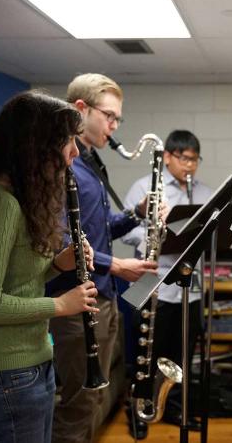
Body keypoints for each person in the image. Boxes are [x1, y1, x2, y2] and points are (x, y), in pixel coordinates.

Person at [0, 91, 99, 443]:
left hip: (29, 367)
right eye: (67, 141)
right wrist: (61, 305)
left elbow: (16, 281)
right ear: (37, 145)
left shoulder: (17, 199)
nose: (75, 152)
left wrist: (58, 264)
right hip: (5, 376)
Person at [46, 73, 158, 443]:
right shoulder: (61, 165)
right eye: (109, 116)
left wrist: (137, 213)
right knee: (78, 403)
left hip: (104, 296)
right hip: (77, 301)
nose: (114, 126)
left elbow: (99, 228)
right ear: (81, 109)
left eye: (117, 119)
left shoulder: (91, 162)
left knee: (94, 398)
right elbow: (61, 242)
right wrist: (118, 265)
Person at [121, 129, 213, 430]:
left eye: (195, 160)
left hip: (190, 286)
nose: (190, 166)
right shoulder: (143, 188)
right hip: (153, 282)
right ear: (169, 157)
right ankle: (139, 411)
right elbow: (125, 230)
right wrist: (154, 238)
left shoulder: (203, 193)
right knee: (147, 351)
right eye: (185, 158)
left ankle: (174, 408)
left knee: (181, 353)